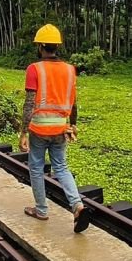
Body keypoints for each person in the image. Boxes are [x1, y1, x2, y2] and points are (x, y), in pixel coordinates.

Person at [19, 24, 89, 233]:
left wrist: (23, 131)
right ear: (56, 46)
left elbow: (30, 103)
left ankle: (41, 210)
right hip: (60, 128)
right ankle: (77, 205)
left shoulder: (35, 68)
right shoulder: (70, 69)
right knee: (61, 167)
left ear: (41, 46)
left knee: (36, 168)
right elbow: (74, 102)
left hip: (39, 129)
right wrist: (73, 124)